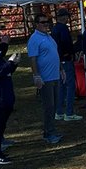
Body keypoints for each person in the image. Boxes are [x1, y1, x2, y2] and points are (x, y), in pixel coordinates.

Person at [28, 14, 62, 145]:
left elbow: (55, 54)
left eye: (47, 22)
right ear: (36, 24)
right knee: (49, 106)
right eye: (43, 22)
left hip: (55, 76)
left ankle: (50, 131)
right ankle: (49, 133)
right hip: (45, 78)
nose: (46, 24)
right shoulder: (34, 39)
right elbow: (33, 59)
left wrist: (61, 69)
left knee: (54, 106)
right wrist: (36, 75)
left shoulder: (49, 37)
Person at [50, 8, 80, 122]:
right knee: (70, 85)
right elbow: (66, 43)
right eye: (66, 16)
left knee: (61, 86)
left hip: (57, 60)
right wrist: (71, 53)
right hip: (65, 59)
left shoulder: (55, 29)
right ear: (62, 17)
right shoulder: (63, 29)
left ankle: (59, 112)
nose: (67, 18)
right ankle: (69, 112)